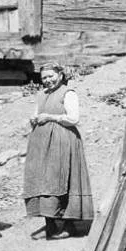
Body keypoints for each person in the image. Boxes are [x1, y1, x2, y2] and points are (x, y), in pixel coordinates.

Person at [23, 63, 94, 239]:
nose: (48, 80)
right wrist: (34, 119)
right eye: (44, 77)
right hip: (41, 143)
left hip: (63, 141)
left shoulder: (68, 93)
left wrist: (50, 117)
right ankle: (51, 225)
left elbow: (74, 118)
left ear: (60, 75)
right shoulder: (41, 95)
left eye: (51, 76)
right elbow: (38, 113)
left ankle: (69, 226)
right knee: (43, 180)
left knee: (63, 178)